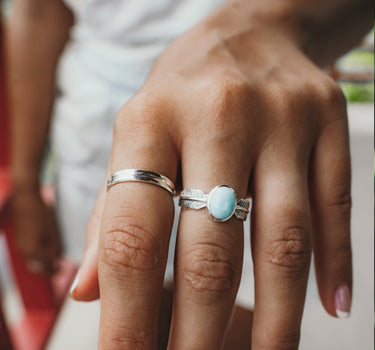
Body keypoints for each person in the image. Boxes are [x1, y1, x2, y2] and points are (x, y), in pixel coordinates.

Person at [7, 0, 372, 349]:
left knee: (222, 295)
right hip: (99, 127)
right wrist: (24, 182)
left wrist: (276, 23)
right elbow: (38, 12)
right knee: (132, 275)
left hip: (257, 118)